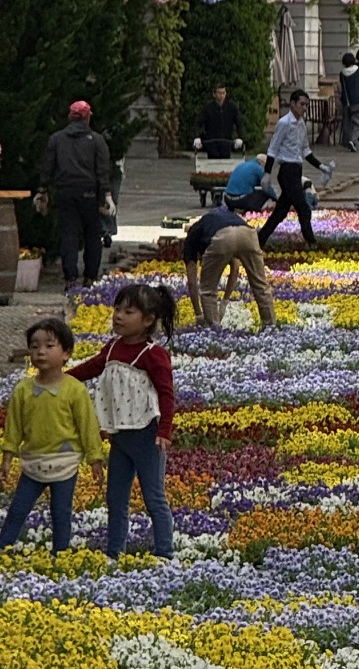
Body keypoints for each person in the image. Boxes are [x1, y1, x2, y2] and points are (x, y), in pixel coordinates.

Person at [68, 283, 177, 559]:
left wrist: (165, 430)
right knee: (116, 498)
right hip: (119, 435)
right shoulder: (113, 347)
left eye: (128, 311)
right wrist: (64, 377)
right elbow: (93, 366)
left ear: (148, 320)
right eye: (117, 309)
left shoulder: (153, 354)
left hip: (146, 435)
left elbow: (166, 393)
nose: (118, 316)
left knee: (154, 498)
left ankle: (164, 553)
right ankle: (114, 553)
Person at [0, 319, 105, 554]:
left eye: (49, 345)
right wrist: (7, 456)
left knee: (61, 512)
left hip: (64, 463)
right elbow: (13, 427)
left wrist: (95, 457)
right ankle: (3, 547)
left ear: (66, 353)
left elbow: (87, 425)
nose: (41, 352)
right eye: (35, 346)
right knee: (18, 510)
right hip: (33, 463)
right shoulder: (23, 390)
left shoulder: (75, 390)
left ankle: (61, 555)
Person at [40, 100, 113, 288]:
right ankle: (90, 279)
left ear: (70, 117)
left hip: (65, 193)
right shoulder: (97, 140)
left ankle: (70, 279)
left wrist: (43, 190)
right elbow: (102, 170)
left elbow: (48, 167)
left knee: (69, 235)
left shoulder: (56, 139)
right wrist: (106, 195)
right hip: (90, 194)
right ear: (88, 117)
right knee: (92, 236)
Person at [258, 90, 333, 248]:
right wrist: (267, 174)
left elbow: (305, 150)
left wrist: (321, 167)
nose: (304, 108)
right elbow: (273, 149)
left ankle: (260, 239)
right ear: (292, 104)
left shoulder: (301, 124)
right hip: (287, 171)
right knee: (303, 208)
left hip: (296, 170)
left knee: (280, 212)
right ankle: (311, 242)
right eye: (301, 104)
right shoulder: (284, 123)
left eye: (306, 105)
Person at [184, 206, 275, 328]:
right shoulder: (211, 222)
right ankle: (271, 326)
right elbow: (235, 267)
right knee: (260, 285)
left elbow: (192, 282)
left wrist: (198, 314)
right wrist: (225, 301)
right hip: (248, 233)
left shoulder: (191, 239)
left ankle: (213, 329)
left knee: (208, 290)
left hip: (221, 237)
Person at [337, 52, 359, 153]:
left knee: (347, 123)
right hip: (358, 100)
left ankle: (347, 140)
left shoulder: (342, 73)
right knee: (357, 122)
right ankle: (353, 140)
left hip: (346, 101)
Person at [195, 84, 242, 159]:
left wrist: (240, 137)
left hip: (226, 142)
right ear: (214, 94)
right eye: (219, 93)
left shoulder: (231, 107)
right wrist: (197, 137)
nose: (222, 95)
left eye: (224, 93)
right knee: (212, 163)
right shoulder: (208, 108)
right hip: (212, 142)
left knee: (225, 164)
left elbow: (239, 123)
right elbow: (198, 122)